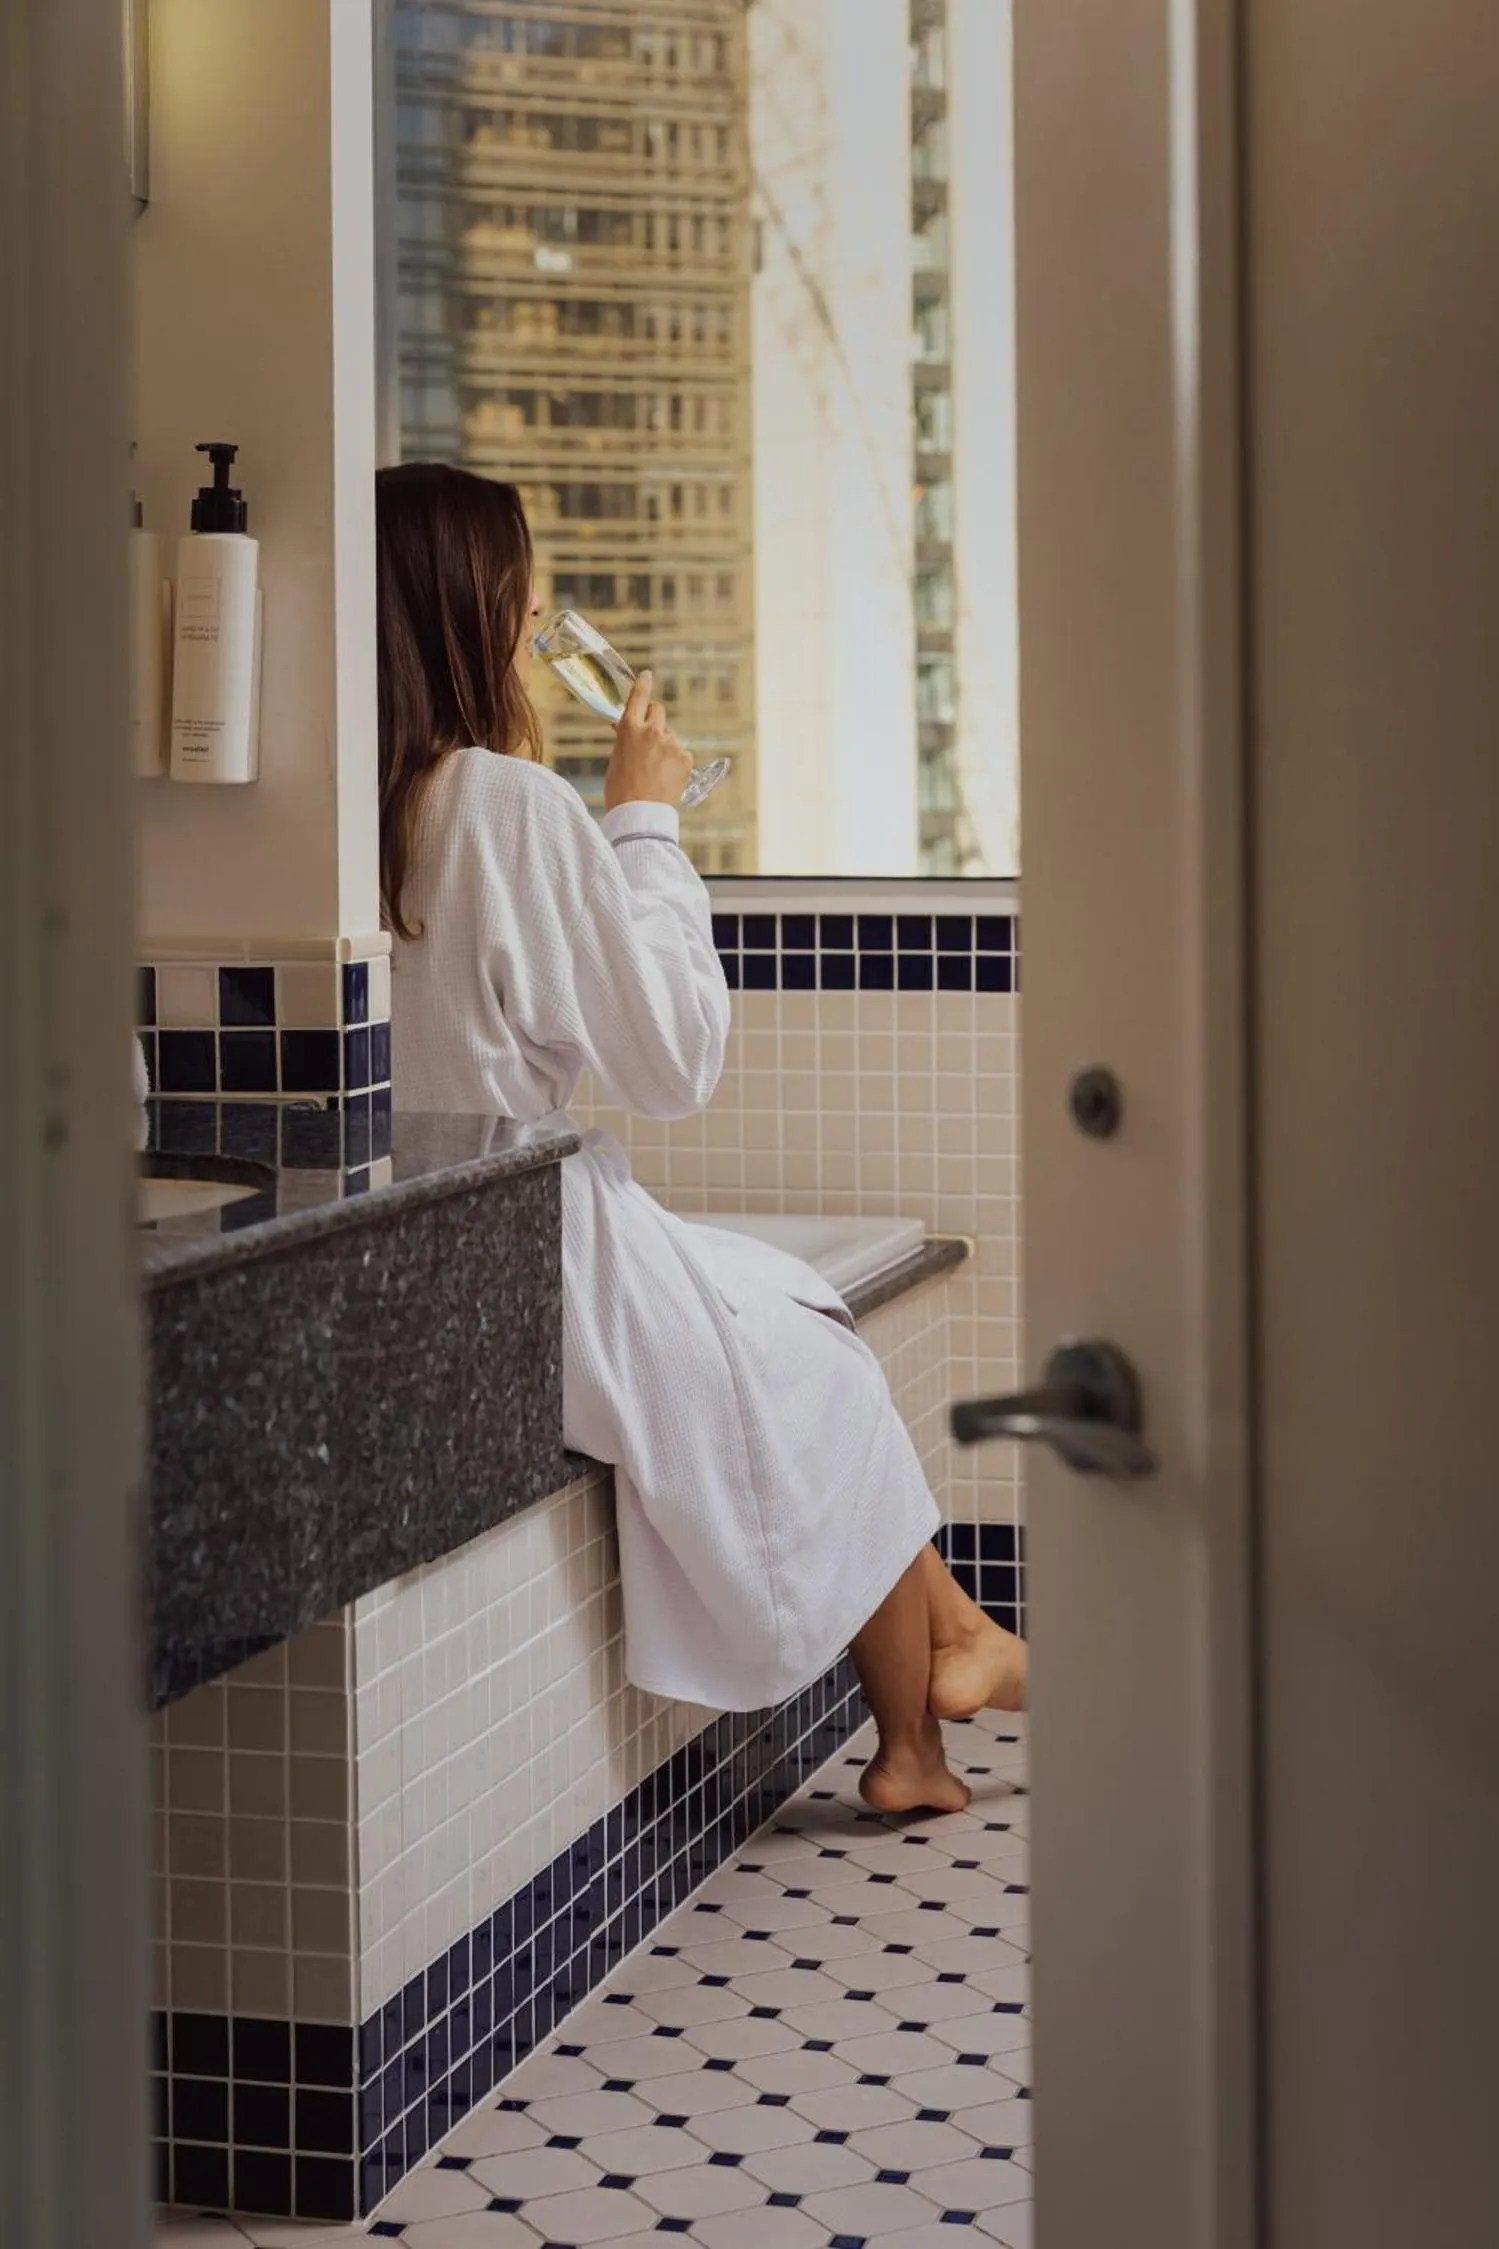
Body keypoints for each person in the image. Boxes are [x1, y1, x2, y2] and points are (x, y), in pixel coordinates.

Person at [379, 462, 1026, 1816]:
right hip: (532, 1244)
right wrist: (644, 819)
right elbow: (669, 1062)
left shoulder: (348, 814)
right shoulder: (503, 804)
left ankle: (943, 1688)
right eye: (526, 609)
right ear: (471, 615)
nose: (537, 640)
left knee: (789, 1308)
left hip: (414, 1244)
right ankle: (922, 1726)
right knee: (815, 1349)